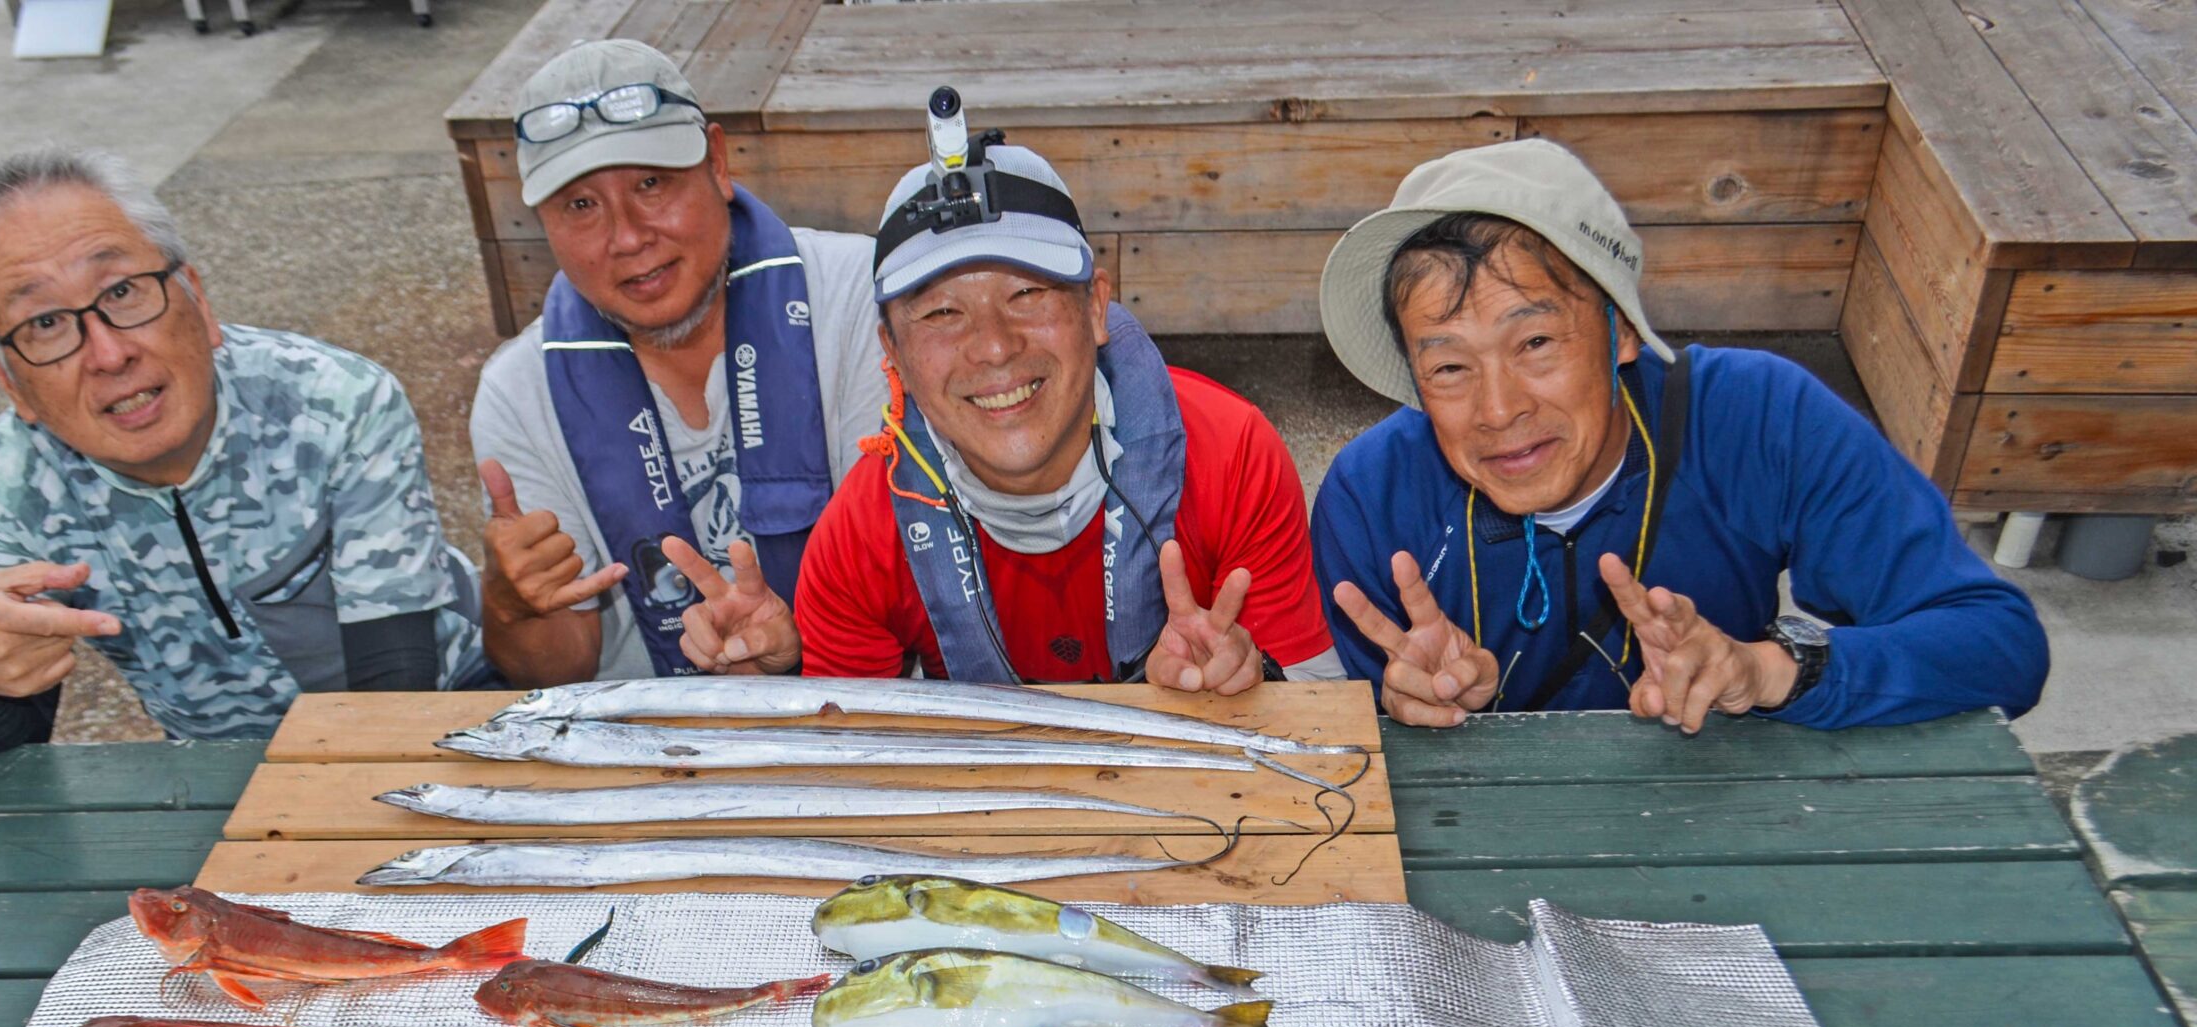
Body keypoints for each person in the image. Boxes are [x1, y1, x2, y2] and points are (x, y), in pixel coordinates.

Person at [1311, 138, 2049, 733]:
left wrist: (1768, 669)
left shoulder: (1758, 417)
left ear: (1622, 329)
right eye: (1447, 366)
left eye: (1535, 342)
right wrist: (1415, 704)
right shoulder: (1370, 497)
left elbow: (2001, 646)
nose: (1498, 410)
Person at [707, 98, 1336, 690]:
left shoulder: (1231, 452)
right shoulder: (859, 537)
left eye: (1027, 295)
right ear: (892, 354)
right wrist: (765, 694)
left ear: (1095, 306)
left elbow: (1322, 728)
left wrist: (1255, 682)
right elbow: (853, 768)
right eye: (942, 313)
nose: (994, 347)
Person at [0, 147, 485, 752]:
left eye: (123, 290)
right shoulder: (2, 500)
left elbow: (394, 685)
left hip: (442, 711)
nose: (108, 354)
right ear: (6, 378)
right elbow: (0, 759)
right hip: (212, 769)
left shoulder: (337, 403)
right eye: (45, 324)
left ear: (199, 302)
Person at [466, 39, 890, 685]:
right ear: (541, 224)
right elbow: (556, 669)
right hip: (650, 740)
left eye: (651, 183)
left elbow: (932, 578)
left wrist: (797, 640)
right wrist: (510, 605)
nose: (629, 236)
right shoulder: (515, 390)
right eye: (580, 206)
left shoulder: (863, 295)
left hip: (865, 702)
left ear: (718, 163)